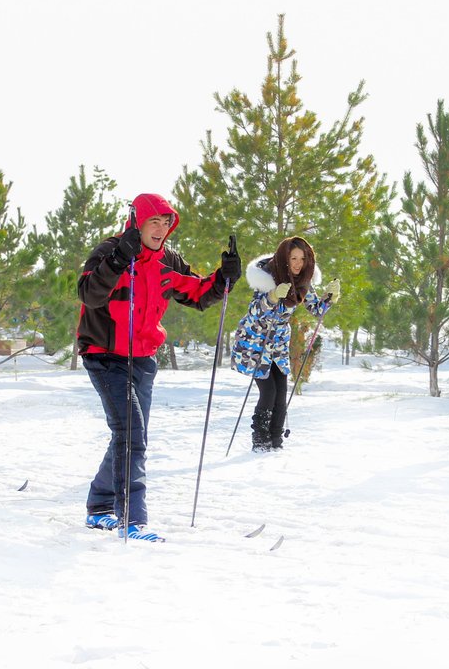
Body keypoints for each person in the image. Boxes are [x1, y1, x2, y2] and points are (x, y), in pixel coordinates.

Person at [77, 193, 241, 541]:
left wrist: (224, 277)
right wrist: (120, 258)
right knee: (130, 435)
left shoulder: (168, 259)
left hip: (143, 360)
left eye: (167, 223)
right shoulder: (110, 250)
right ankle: (131, 519)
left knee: (131, 436)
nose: (161, 229)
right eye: (155, 221)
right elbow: (89, 293)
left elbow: (196, 294)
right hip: (105, 355)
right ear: (137, 221)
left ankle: (99, 507)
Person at [231, 236, 339, 451]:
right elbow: (254, 313)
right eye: (294, 258)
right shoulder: (267, 278)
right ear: (284, 258)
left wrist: (329, 297)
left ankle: (275, 441)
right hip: (255, 342)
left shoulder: (303, 281)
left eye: (303, 258)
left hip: (278, 343)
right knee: (268, 392)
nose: (299, 263)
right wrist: (270, 297)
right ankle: (260, 442)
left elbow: (316, 310)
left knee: (281, 392)